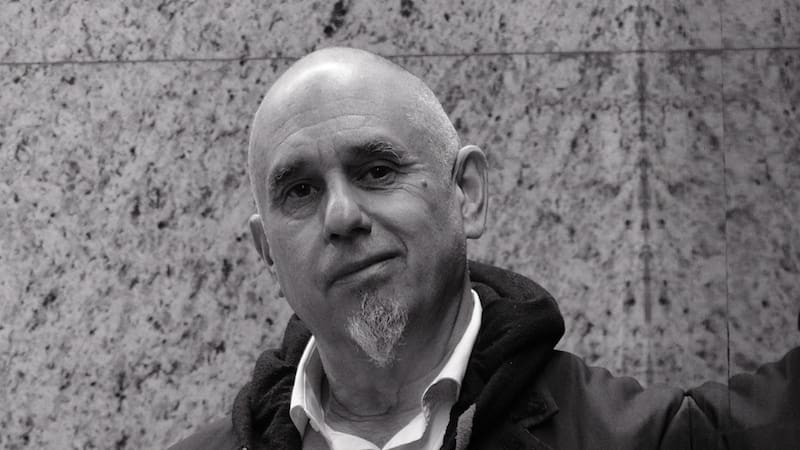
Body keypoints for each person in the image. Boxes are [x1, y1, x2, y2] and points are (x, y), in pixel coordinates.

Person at [171, 47, 799, 450]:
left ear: (466, 193)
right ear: (268, 253)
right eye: (301, 191)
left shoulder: (646, 437)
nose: (341, 216)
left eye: (377, 171)